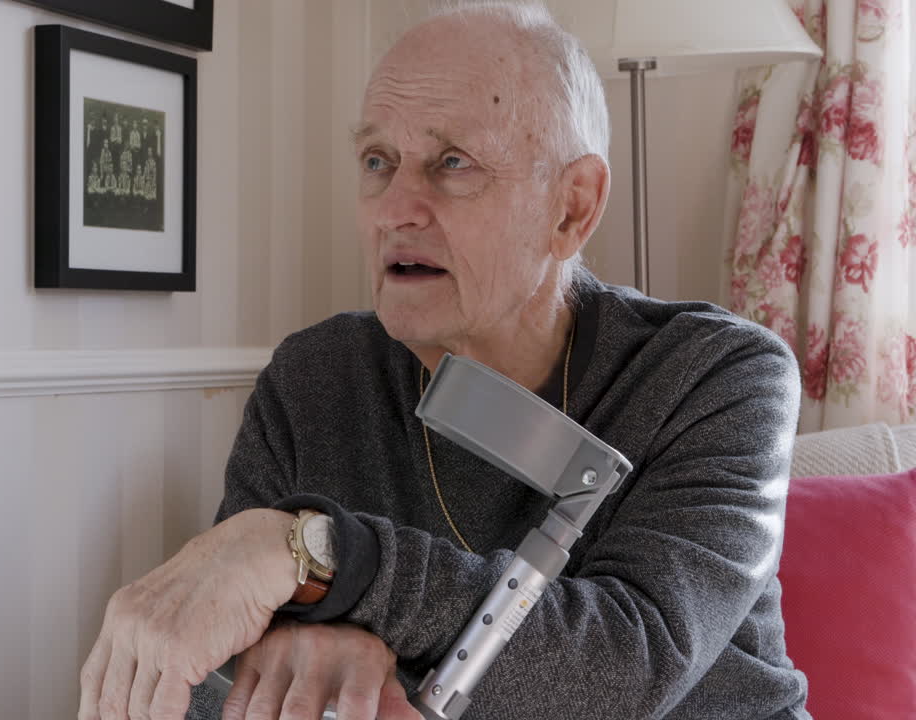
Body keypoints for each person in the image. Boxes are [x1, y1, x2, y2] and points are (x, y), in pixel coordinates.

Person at [78, 2, 810, 719]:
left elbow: (628, 663)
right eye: (378, 161)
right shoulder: (314, 379)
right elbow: (246, 662)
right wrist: (317, 659)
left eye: (452, 163)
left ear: (572, 208)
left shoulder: (719, 376)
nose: (394, 208)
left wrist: (323, 553)